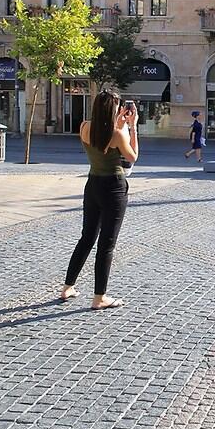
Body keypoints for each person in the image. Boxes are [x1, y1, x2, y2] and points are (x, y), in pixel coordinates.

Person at [60, 89, 138, 310]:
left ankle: (67, 287)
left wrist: (119, 124)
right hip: (113, 187)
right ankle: (99, 297)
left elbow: (103, 142)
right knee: (106, 244)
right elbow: (132, 157)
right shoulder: (118, 134)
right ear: (114, 109)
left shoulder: (85, 126)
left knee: (87, 237)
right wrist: (132, 126)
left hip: (92, 184)